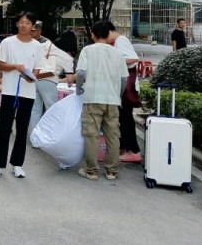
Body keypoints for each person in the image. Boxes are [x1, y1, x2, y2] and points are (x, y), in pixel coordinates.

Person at [0, 12, 44, 179]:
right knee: (4, 128)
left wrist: (31, 77)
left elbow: (37, 70)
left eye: (27, 23)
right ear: (16, 24)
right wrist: (14, 66)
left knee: (22, 129)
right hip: (9, 91)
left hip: (27, 93)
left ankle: (17, 164)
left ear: (32, 26)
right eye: (21, 22)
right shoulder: (8, 42)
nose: (23, 25)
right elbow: (0, 65)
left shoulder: (37, 46)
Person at [76, 20, 129, 181]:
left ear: (93, 34)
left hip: (92, 98)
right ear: (108, 35)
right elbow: (124, 79)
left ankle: (91, 171)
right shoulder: (118, 53)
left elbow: (81, 73)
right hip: (112, 99)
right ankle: (112, 171)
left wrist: (79, 89)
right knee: (113, 136)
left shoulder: (87, 50)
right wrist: (118, 95)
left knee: (91, 135)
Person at [28, 21, 76, 138]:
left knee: (35, 110)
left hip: (34, 79)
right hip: (48, 81)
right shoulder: (66, 56)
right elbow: (70, 79)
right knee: (51, 110)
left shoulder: (46, 45)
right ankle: (51, 138)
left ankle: (33, 138)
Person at [107, 22, 143, 163]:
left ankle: (133, 151)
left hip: (126, 88)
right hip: (124, 87)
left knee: (126, 119)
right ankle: (125, 147)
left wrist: (113, 61)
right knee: (123, 118)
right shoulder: (118, 41)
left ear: (109, 31)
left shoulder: (121, 40)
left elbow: (133, 59)